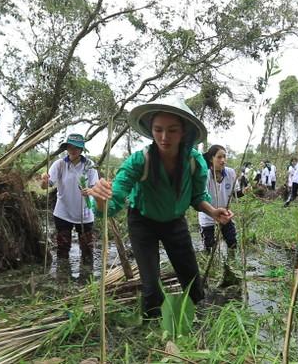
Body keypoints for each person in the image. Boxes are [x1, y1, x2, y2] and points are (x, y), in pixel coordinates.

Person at [89, 98, 233, 319]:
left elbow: (196, 197)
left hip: (175, 221)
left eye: (172, 130)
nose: (164, 137)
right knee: (151, 284)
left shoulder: (195, 162)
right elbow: (113, 200)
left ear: (183, 132)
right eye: (158, 130)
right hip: (142, 222)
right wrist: (101, 198)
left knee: (192, 279)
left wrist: (213, 212)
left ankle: (199, 322)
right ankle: (153, 329)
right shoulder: (139, 161)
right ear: (151, 130)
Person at [41, 133, 99, 263]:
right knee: (62, 248)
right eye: (70, 147)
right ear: (66, 148)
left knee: (87, 250)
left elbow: (95, 188)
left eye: (76, 147)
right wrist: (44, 180)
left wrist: (89, 191)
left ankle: (86, 278)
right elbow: (46, 186)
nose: (73, 150)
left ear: (81, 149)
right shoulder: (59, 164)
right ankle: (62, 277)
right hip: (63, 211)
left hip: (85, 212)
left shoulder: (89, 165)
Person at [198, 145, 237, 253]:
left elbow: (235, 193)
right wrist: (213, 211)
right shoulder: (205, 175)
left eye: (224, 157)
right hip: (207, 214)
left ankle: (229, 265)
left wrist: (245, 191)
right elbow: (201, 198)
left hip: (224, 214)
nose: (223, 160)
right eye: (219, 157)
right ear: (211, 159)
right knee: (209, 247)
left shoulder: (231, 173)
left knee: (232, 242)